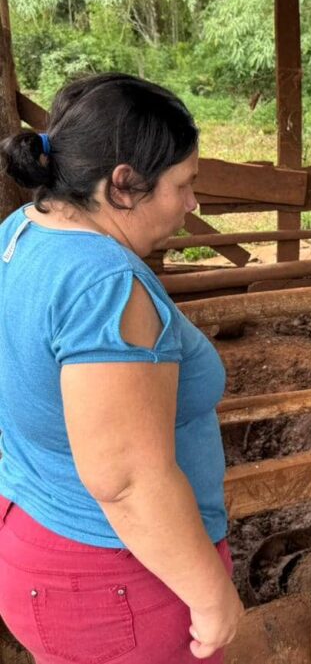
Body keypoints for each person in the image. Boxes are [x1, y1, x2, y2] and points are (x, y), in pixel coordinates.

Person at [0, 73, 244, 663]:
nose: (193, 203)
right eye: (183, 185)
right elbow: (128, 481)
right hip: (121, 580)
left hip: (39, 537)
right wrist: (212, 598)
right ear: (124, 186)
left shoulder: (22, 231)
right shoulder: (106, 286)